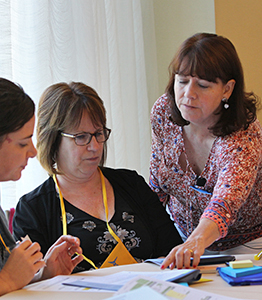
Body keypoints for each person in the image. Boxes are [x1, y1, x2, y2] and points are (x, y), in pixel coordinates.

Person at [13, 81, 182, 272]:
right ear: (53, 140)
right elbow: (31, 282)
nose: (94, 147)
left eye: (98, 134)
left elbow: (173, 250)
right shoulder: (33, 209)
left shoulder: (131, 184)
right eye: (81, 137)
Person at [149, 32, 262, 270]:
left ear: (227, 89)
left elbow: (223, 206)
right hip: (183, 239)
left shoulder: (244, 135)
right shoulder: (164, 112)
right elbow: (158, 184)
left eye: (203, 85)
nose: (188, 94)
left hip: (247, 247)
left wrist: (195, 243)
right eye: (182, 81)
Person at [0, 74, 83, 300]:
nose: (32, 152)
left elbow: (4, 280)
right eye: (23, 143)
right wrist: (6, 281)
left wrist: (43, 274)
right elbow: (3, 281)